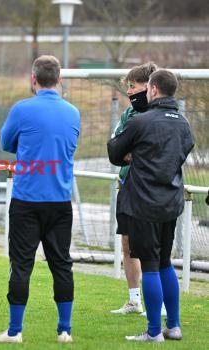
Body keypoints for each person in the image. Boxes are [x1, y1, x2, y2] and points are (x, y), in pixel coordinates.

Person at [0, 55, 80, 344]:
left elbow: (7, 143)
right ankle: (64, 330)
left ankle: (15, 331)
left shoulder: (22, 109)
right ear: (60, 79)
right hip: (60, 201)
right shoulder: (73, 112)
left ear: (33, 79)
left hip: (27, 200)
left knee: (21, 265)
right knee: (61, 265)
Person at [108, 69, 194, 342]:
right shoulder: (182, 123)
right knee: (166, 262)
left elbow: (114, 152)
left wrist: (136, 156)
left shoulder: (140, 121)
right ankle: (175, 326)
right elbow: (183, 150)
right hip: (171, 202)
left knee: (151, 265)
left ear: (153, 89)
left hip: (144, 203)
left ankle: (154, 331)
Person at [110, 62, 165, 316]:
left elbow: (161, 153)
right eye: (128, 87)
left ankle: (160, 302)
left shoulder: (163, 115)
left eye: (133, 86)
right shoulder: (128, 115)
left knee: (155, 247)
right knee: (127, 244)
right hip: (127, 184)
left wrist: (136, 153)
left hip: (153, 190)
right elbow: (116, 147)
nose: (130, 91)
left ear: (149, 87)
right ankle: (134, 300)